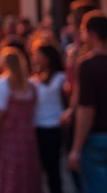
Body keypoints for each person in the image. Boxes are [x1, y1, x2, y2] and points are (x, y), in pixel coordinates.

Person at [0, 46, 40, 193]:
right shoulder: (30, 85)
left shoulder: (2, 83)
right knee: (27, 173)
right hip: (28, 135)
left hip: (9, 135)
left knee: (10, 172)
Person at [70, 10, 107, 191]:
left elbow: (86, 108)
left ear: (91, 33)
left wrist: (76, 148)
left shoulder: (88, 65)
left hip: (97, 137)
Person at [31, 44, 66, 193]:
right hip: (37, 127)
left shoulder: (60, 78)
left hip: (53, 127)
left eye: (39, 55)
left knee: (53, 169)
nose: (36, 58)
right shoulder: (35, 79)